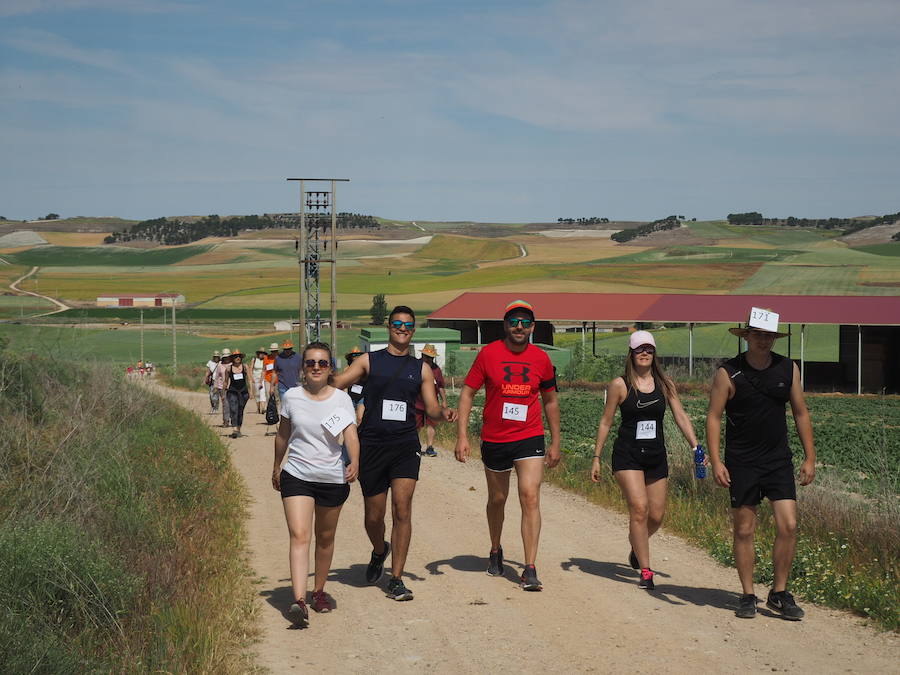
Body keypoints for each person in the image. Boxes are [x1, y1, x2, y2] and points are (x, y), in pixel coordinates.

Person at [333, 306, 455, 601]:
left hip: (404, 446)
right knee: (374, 516)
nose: (403, 328)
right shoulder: (369, 361)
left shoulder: (421, 369)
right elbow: (338, 383)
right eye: (398, 323)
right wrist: (315, 378)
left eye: (408, 325)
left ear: (414, 330)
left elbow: (431, 408)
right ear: (389, 326)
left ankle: (397, 578)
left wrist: (442, 413)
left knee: (402, 509)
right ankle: (379, 550)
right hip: (372, 445)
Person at [706, 308, 816, 620]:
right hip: (741, 463)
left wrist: (810, 456)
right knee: (744, 529)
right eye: (758, 335)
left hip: (778, 461)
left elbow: (800, 412)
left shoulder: (787, 369)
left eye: (769, 335)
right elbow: (714, 417)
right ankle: (747, 594)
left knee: (789, 525)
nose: (764, 340)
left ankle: (779, 593)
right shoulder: (728, 373)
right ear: (747, 336)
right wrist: (716, 461)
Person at [454, 299, 560, 591]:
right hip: (495, 438)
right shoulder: (488, 354)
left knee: (530, 497)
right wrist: (462, 435)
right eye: (514, 321)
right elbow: (467, 394)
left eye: (525, 322)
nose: (519, 326)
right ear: (505, 325)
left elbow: (550, 401)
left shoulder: (541, 359)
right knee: (498, 499)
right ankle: (495, 548)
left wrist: (555, 441)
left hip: (530, 436)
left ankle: (530, 567)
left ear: (533, 327)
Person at [590, 330, 700, 591]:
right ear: (631, 353)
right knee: (639, 509)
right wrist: (596, 457)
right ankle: (646, 571)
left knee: (657, 515)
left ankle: (635, 545)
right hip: (627, 455)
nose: (644, 354)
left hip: (655, 455)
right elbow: (606, 422)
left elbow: (681, 416)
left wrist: (696, 446)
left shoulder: (665, 384)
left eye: (649, 349)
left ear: (654, 354)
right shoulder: (619, 384)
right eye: (639, 349)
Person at [272, 341, 360, 627]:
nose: (316, 367)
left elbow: (350, 436)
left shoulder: (341, 399)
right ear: (303, 368)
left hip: (332, 478)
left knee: (325, 538)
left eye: (322, 363)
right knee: (299, 535)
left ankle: (318, 590)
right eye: (311, 362)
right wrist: (277, 466)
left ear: (330, 367)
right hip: (297, 475)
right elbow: (283, 435)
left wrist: (354, 462)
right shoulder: (293, 397)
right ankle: (299, 600)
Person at [415, 344, 445, 457]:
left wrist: (444, 401)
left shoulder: (436, 370)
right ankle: (415, 445)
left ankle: (430, 447)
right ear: (422, 356)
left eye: (431, 357)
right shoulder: (415, 366)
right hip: (417, 402)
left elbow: (441, 386)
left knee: (432, 424)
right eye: (426, 356)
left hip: (432, 403)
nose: (428, 359)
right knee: (416, 425)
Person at [225, 349, 253, 439]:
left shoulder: (245, 367)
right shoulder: (229, 368)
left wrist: (251, 391)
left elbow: (249, 379)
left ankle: (239, 429)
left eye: (239, 356)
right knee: (233, 409)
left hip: (243, 392)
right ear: (232, 358)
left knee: (240, 410)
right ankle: (234, 429)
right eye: (235, 357)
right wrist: (223, 391)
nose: (237, 358)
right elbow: (226, 381)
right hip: (232, 392)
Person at [215, 349, 232, 428]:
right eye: (225, 357)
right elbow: (217, 377)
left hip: (232, 387)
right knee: (225, 404)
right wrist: (216, 387)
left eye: (228, 357)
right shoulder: (219, 365)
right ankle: (226, 421)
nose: (226, 358)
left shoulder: (233, 364)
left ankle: (233, 419)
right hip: (222, 387)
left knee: (233, 404)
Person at [204, 350, 221, 414]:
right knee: (212, 395)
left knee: (218, 396)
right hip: (212, 381)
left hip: (220, 381)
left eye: (217, 356)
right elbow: (208, 372)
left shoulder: (221, 362)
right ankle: (213, 407)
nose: (216, 358)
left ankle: (216, 408)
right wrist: (206, 379)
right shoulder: (210, 362)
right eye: (215, 356)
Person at [251, 348, 267, 414]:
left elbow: (265, 369)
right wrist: (251, 378)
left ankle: (263, 408)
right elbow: (251, 369)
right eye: (261, 353)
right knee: (257, 394)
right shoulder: (254, 359)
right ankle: (258, 408)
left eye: (263, 353)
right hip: (255, 378)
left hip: (262, 378)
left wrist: (261, 379)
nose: (262, 354)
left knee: (262, 393)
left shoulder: (265, 360)